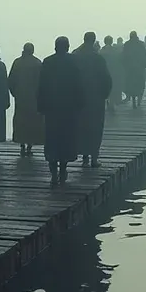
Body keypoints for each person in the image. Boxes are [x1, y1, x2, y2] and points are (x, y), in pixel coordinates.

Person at [36, 36, 85, 186]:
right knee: (66, 139)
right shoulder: (73, 62)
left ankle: (53, 172)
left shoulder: (48, 62)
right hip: (68, 108)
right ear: (68, 46)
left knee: (52, 139)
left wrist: (40, 105)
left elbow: (41, 86)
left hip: (52, 108)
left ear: (55, 46)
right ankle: (63, 168)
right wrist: (80, 103)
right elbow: (79, 84)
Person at [73, 32, 113, 167]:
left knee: (81, 126)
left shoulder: (75, 55)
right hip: (95, 98)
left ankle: (84, 157)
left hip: (78, 98)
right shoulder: (98, 58)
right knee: (95, 127)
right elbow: (106, 79)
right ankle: (94, 158)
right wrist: (105, 94)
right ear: (94, 40)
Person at [8, 42, 45, 157]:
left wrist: (15, 93)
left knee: (21, 121)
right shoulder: (38, 63)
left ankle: (22, 145)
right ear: (32, 51)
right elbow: (43, 82)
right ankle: (30, 145)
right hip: (34, 98)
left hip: (21, 97)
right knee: (33, 122)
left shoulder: (17, 62)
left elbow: (10, 81)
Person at [121, 31, 146, 108]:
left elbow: (123, 56)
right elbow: (144, 55)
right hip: (139, 68)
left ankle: (133, 101)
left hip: (130, 69)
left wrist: (124, 66)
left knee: (131, 85)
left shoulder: (127, 44)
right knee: (140, 85)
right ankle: (139, 100)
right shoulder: (141, 44)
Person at [99, 35, 121, 110]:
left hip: (104, 72)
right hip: (113, 71)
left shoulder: (101, 51)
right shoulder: (115, 51)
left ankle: (108, 101)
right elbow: (118, 61)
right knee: (113, 87)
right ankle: (111, 102)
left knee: (105, 87)